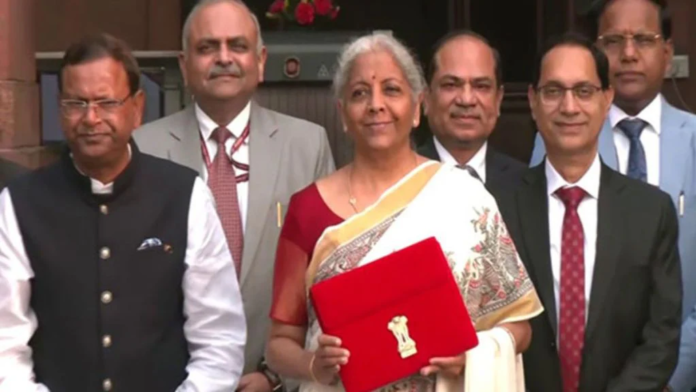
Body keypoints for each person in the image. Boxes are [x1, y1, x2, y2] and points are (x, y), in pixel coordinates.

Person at [265, 32, 543, 392]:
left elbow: (520, 328)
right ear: (343, 114)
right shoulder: (308, 209)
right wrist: (314, 365)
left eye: (392, 90)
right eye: (359, 93)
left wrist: (472, 357)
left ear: (417, 107)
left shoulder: (465, 196)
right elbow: (278, 344)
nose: (376, 104)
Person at [0, 33, 246, 391]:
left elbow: (219, 336)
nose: (91, 117)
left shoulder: (183, 195)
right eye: (76, 102)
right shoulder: (21, 203)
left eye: (106, 101)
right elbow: (5, 341)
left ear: (137, 108)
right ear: (59, 108)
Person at [133, 1, 335, 390]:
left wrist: (276, 376)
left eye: (237, 46)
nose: (223, 58)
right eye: (208, 47)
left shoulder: (307, 146)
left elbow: (324, 278)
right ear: (184, 62)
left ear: (260, 61)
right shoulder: (144, 148)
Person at [528, 2, 696, 390]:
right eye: (614, 41)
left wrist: (670, 378)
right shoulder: (558, 134)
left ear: (668, 52)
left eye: (644, 39)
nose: (630, 53)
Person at [418, 30, 526, 206]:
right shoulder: (400, 182)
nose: (466, 100)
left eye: (481, 86)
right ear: (426, 98)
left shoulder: (527, 186)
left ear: (498, 99)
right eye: (451, 85)